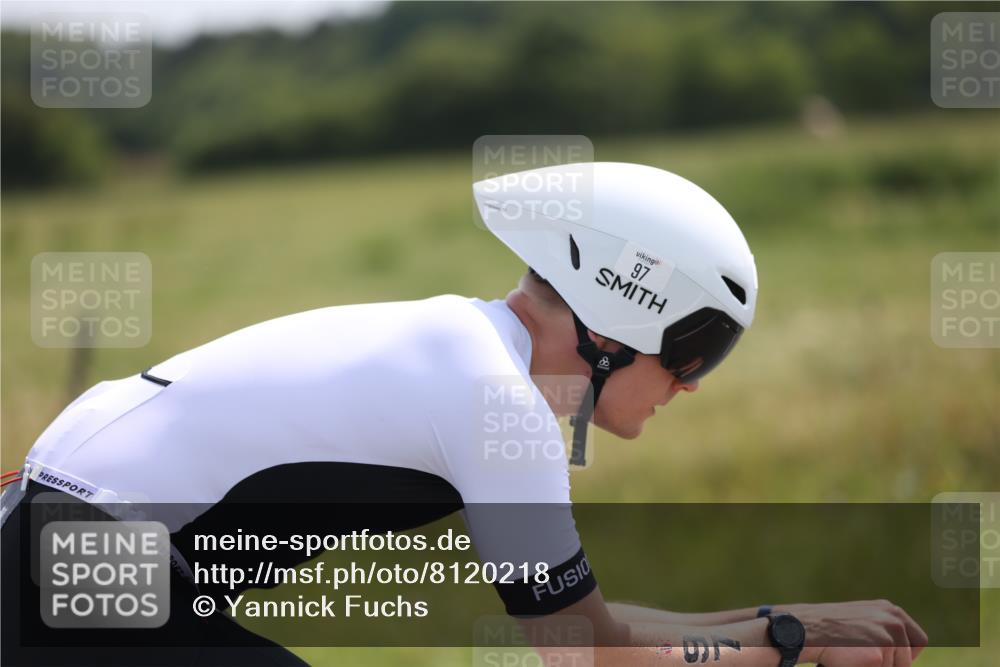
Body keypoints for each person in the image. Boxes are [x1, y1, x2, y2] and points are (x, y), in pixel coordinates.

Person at [1, 162, 926, 666]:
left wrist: (779, 616)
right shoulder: (500, 400)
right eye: (695, 351)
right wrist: (792, 642)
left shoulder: (468, 352)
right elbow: (592, 658)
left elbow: (580, 624)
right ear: (614, 321)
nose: (694, 384)